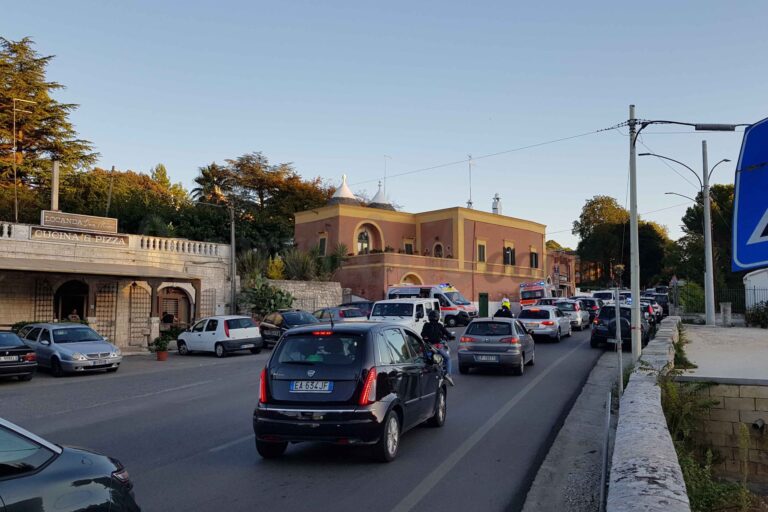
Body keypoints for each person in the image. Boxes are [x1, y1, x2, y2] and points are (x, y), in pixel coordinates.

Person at [421, 309, 455, 386]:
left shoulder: (426, 325)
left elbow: (422, 334)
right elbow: (447, 333)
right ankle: (448, 374)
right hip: (437, 347)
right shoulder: (439, 325)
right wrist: (451, 336)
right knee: (448, 358)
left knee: (425, 359)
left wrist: (426, 338)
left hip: (428, 347)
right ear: (437, 317)